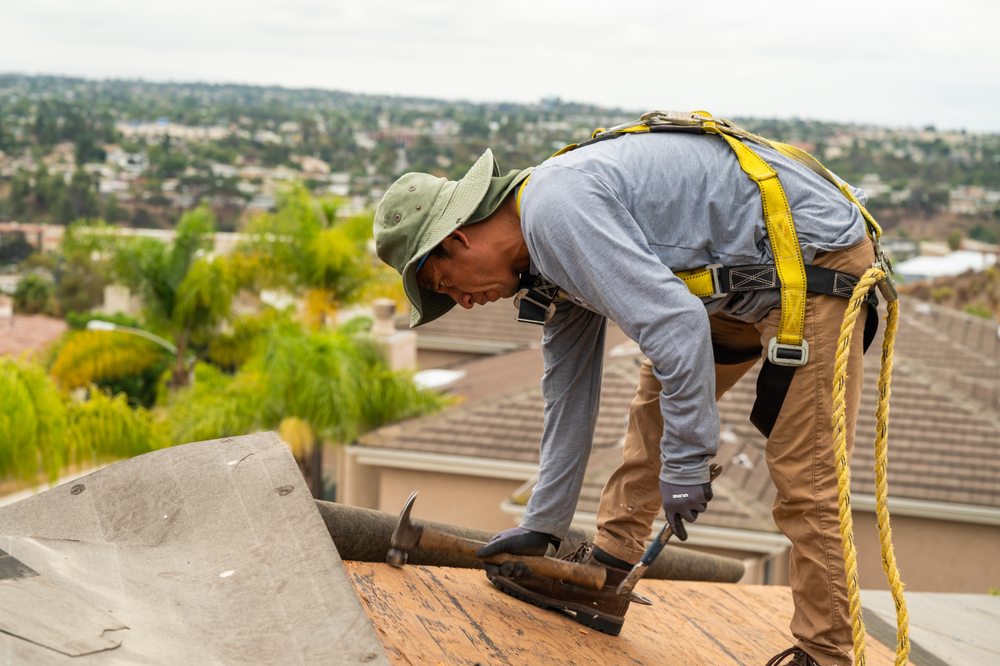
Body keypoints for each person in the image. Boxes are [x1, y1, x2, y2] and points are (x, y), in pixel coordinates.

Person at [373, 113, 880, 666]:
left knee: (805, 477)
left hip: (816, 262)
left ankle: (825, 652)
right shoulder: (542, 262)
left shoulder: (555, 211)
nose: (464, 302)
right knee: (656, 415)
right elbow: (568, 393)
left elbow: (678, 326)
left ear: (457, 239)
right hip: (739, 281)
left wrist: (687, 465)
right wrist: (543, 526)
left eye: (447, 286)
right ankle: (604, 575)